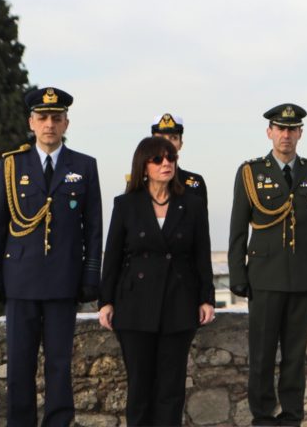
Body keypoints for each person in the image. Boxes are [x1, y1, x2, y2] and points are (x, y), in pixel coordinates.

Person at [0, 87, 102, 427]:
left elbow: (93, 230)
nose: (49, 124)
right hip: (20, 280)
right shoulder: (11, 166)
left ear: (66, 123)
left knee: (60, 365)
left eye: (56, 118)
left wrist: (91, 277)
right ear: (31, 122)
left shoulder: (84, 166)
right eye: (42, 118)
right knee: (20, 366)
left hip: (64, 280)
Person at [228, 104, 307, 427]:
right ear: (269, 132)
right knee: (261, 354)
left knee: (294, 355)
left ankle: (291, 417)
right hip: (265, 277)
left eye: (292, 129)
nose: (286, 135)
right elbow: (237, 229)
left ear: (300, 133)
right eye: (280, 129)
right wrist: (238, 276)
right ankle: (262, 416)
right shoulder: (251, 172)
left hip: (302, 277)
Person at [97, 136, 214, 426]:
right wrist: (106, 301)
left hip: (179, 303)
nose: (167, 164)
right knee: (140, 386)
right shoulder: (126, 204)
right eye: (158, 159)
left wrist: (206, 298)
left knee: (171, 388)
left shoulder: (192, 204)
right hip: (135, 305)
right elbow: (111, 257)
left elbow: (202, 255)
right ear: (143, 165)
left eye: (171, 158)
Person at [150, 113, 208, 197]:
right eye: (161, 138)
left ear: (181, 144)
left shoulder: (195, 183)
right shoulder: (141, 182)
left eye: (173, 138)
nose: (167, 143)